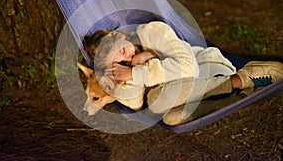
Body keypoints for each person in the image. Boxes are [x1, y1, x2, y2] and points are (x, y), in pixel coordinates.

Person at [83, 21, 283, 125]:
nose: (125, 58)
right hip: (180, 94)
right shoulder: (129, 66)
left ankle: (241, 79)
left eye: (121, 50)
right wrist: (126, 75)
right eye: (118, 62)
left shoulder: (153, 31)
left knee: (155, 100)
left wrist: (138, 73)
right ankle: (240, 96)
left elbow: (190, 68)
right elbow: (135, 103)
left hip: (208, 68)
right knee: (170, 118)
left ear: (119, 35)